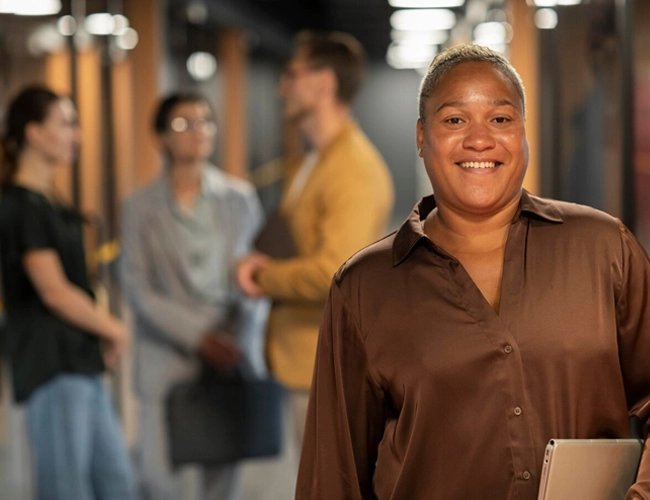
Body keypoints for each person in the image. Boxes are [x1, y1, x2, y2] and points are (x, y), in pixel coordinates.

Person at [295, 43, 650, 499]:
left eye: (500, 119)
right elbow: (333, 473)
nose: (479, 139)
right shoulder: (364, 286)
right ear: (422, 136)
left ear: (523, 132)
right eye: (455, 120)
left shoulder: (603, 249)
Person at [236, 30, 394, 447]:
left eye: (291, 74)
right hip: (302, 362)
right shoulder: (310, 160)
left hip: (329, 368)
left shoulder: (353, 168)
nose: (281, 86)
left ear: (324, 83)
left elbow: (334, 272)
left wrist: (261, 276)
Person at [120, 93, 269, 500]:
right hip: (165, 355)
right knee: (157, 480)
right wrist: (196, 336)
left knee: (222, 481)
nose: (198, 131)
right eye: (184, 124)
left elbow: (258, 278)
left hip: (228, 351)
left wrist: (237, 335)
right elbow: (137, 287)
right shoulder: (139, 207)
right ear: (162, 137)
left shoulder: (239, 199)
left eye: (205, 121)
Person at [0, 86, 137, 500]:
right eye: (66, 123)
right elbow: (54, 292)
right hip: (50, 363)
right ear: (34, 133)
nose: (76, 134)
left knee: (116, 484)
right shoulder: (20, 205)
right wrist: (115, 329)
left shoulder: (49, 202)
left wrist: (99, 333)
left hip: (79, 360)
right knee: (66, 489)